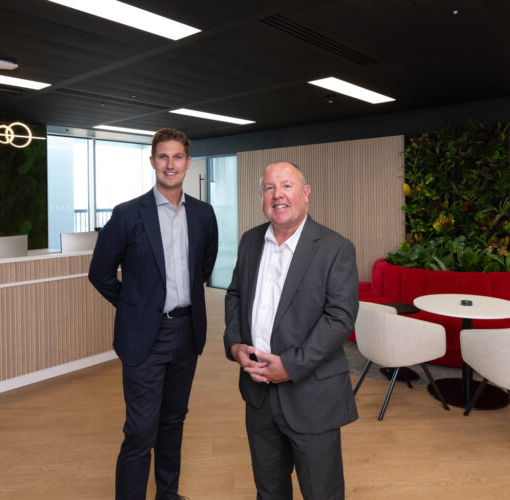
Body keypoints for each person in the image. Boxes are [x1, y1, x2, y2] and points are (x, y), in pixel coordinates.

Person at [89, 128, 218, 500]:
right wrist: (136, 307)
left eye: (177, 157)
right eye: (163, 157)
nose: (170, 164)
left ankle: (168, 494)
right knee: (141, 431)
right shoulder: (128, 214)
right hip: (145, 336)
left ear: (188, 163)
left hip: (187, 332)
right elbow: (99, 273)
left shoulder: (204, 214)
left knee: (173, 421)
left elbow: (203, 268)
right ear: (152, 162)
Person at [223, 161, 358, 500]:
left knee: (321, 493)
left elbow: (340, 318)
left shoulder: (335, 248)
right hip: (258, 396)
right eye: (269, 188)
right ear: (262, 196)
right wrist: (236, 345)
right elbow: (236, 295)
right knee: (268, 491)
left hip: (312, 396)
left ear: (306, 193)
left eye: (286, 186)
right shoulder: (250, 241)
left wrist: (291, 365)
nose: (277, 195)